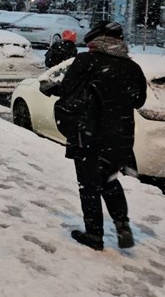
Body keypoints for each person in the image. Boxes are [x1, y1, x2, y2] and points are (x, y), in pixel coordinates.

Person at [54, 20, 147, 251]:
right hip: (120, 136)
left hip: (88, 133)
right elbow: (139, 100)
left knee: (88, 185)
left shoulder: (87, 61)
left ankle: (94, 235)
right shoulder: (132, 67)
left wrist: (52, 89)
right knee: (109, 179)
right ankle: (122, 222)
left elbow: (67, 89)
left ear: (97, 42)